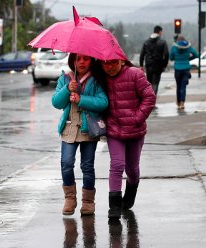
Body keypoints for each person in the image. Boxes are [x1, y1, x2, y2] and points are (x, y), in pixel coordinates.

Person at [51, 53, 108, 216]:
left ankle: (88, 202)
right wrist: (67, 89)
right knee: (66, 163)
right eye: (78, 59)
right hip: (69, 129)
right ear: (72, 61)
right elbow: (56, 102)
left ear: (92, 60)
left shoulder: (96, 80)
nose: (82, 62)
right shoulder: (65, 78)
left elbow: (103, 103)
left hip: (88, 129)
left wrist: (81, 99)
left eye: (86, 58)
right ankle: (70, 198)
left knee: (87, 166)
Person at [100, 58, 156, 219]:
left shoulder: (135, 74)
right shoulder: (101, 79)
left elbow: (149, 97)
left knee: (132, 168)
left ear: (122, 62)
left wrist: (137, 118)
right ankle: (114, 206)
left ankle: (130, 194)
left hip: (135, 131)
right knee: (117, 165)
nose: (109, 67)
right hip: (114, 130)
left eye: (113, 63)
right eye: (106, 63)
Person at [169, 35, 199, 109]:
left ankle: (178, 102)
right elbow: (196, 54)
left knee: (178, 86)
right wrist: (188, 58)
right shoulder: (188, 47)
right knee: (183, 86)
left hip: (177, 69)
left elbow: (171, 58)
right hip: (186, 69)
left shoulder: (174, 47)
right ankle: (182, 102)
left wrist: (176, 58)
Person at [139, 25, 169, 96]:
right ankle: (152, 100)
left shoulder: (146, 42)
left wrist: (141, 65)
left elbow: (142, 54)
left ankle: (148, 100)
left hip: (148, 65)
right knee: (155, 83)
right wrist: (164, 65)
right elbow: (166, 54)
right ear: (160, 32)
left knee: (149, 83)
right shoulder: (163, 42)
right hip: (158, 65)